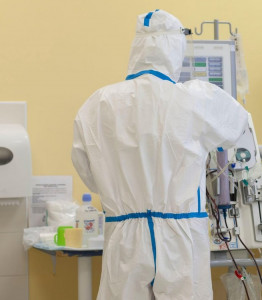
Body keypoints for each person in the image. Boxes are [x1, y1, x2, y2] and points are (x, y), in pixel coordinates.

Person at [71, 10, 249, 300]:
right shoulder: (195, 99)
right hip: (180, 236)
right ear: (176, 49)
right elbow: (238, 126)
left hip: (124, 235)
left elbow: (86, 168)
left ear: (137, 49)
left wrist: (120, 192)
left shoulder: (99, 104)